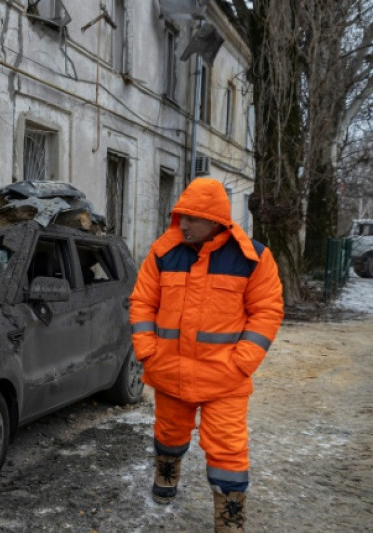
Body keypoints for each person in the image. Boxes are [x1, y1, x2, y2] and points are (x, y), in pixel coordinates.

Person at [129, 178, 284, 532]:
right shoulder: (163, 253)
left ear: (217, 219)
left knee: (228, 449)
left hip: (224, 379)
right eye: (180, 216)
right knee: (168, 434)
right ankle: (166, 476)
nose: (184, 224)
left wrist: (242, 362)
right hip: (169, 372)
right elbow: (142, 303)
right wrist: (147, 351)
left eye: (193, 218)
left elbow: (267, 311)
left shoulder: (254, 258)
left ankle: (230, 518)